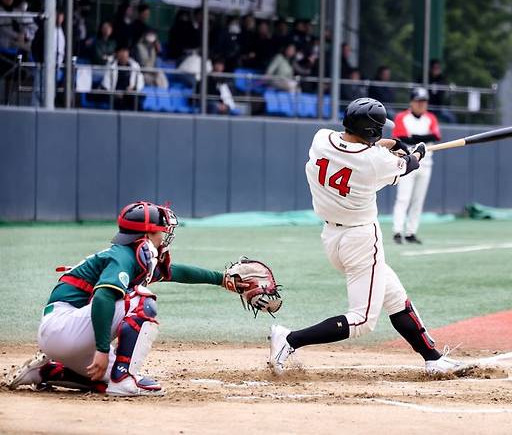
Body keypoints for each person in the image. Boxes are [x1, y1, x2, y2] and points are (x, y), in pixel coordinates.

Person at [268, 97, 468, 376]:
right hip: (361, 240)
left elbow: (362, 150)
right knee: (362, 320)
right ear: (371, 132)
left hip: (332, 238)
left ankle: (432, 358)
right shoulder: (375, 162)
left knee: (395, 296)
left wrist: (394, 146)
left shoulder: (321, 139)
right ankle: (289, 340)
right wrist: (417, 153)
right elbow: (408, 165)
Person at [5, 201, 251, 396]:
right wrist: (102, 349)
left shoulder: (132, 254)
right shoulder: (123, 257)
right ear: (144, 234)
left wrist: (222, 279)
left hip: (65, 334)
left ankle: (48, 372)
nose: (164, 237)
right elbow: (102, 297)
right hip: (66, 327)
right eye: (160, 232)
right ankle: (123, 377)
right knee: (142, 299)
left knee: (121, 382)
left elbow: (176, 272)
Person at [391, 87, 441, 244]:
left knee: (418, 199)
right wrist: (419, 138)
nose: (421, 104)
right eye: (418, 101)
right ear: (411, 102)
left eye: (424, 101)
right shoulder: (401, 117)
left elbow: (435, 135)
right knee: (403, 198)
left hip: (426, 163)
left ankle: (411, 232)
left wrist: (416, 137)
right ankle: (398, 231)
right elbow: (402, 137)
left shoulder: (431, 118)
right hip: (406, 162)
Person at [101, 45, 144, 110]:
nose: (124, 56)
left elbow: (140, 81)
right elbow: (106, 83)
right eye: (122, 54)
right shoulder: (111, 65)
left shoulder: (135, 65)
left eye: (125, 54)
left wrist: (133, 88)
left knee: (138, 100)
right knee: (118, 103)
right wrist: (114, 92)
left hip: (129, 93)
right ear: (117, 54)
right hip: (114, 93)